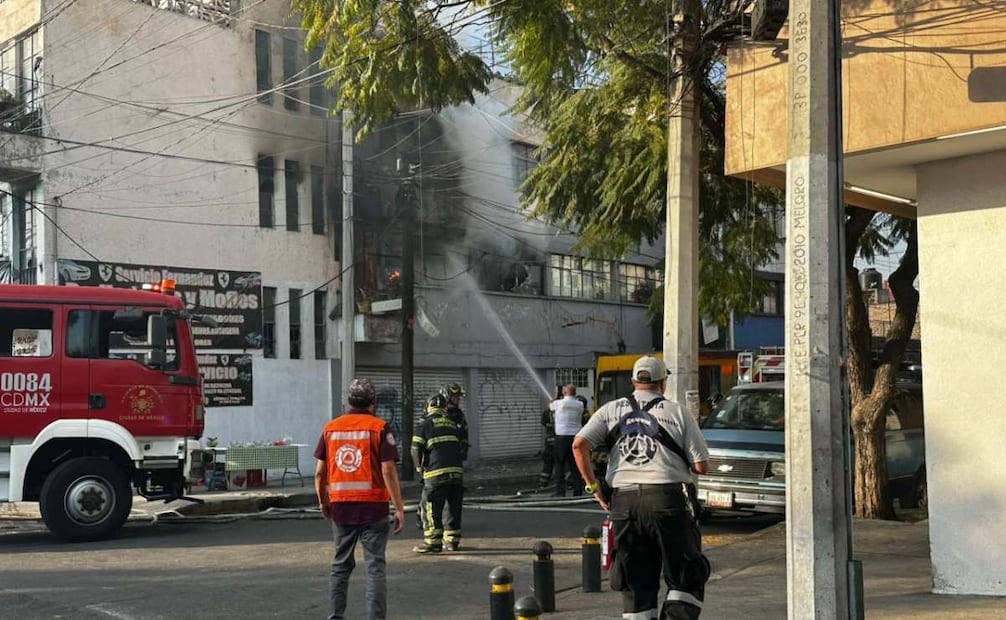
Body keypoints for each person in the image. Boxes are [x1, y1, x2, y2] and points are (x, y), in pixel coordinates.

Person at [573, 356, 711, 620]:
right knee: (685, 576)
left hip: (624, 504)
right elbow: (701, 466)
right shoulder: (678, 412)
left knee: (635, 582)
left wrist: (594, 487)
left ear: (633, 381)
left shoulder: (610, 410)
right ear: (663, 383)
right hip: (667, 501)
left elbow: (579, 445)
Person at [315, 378, 406, 620]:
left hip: (341, 509)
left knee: (340, 566)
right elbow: (388, 470)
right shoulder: (379, 428)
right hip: (374, 510)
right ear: (373, 401)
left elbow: (320, 473)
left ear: (349, 401)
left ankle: (336, 616)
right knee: (375, 567)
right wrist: (399, 508)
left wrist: (323, 501)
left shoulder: (331, 428)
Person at [411, 393, 466, 553]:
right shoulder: (452, 423)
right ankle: (452, 541)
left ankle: (433, 542)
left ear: (429, 406)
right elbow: (461, 446)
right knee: (453, 507)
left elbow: (415, 448)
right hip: (457, 472)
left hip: (436, 472)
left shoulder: (425, 423)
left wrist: (419, 469)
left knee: (431, 505)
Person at [549, 384, 586, 497]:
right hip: (575, 438)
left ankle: (560, 492)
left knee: (559, 466)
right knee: (575, 466)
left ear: (564, 393)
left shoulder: (558, 403)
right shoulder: (580, 404)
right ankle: (577, 492)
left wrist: (556, 398)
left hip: (561, 438)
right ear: (575, 393)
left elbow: (550, 406)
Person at [538, 389, 559, 488]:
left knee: (548, 464)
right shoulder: (561, 412)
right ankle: (562, 483)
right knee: (561, 464)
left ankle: (543, 484)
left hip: (549, 443)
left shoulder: (546, 413)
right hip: (559, 442)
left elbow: (543, 423)